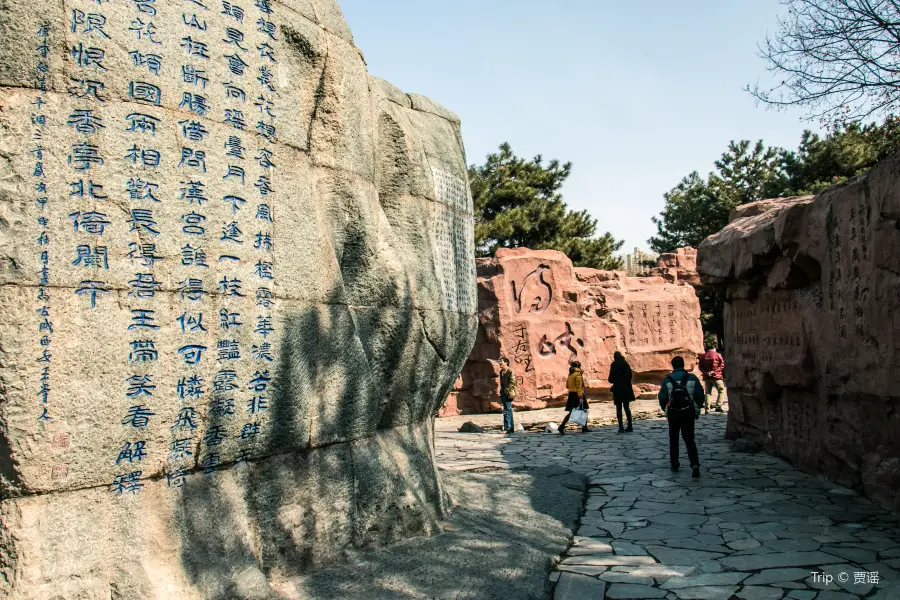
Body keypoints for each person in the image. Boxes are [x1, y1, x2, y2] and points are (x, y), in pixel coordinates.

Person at [658, 356, 705, 478]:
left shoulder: (667, 380)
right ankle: (694, 464)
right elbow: (700, 396)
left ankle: (675, 464)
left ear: (672, 366)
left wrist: (666, 409)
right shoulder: (692, 378)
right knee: (689, 439)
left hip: (673, 413)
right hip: (688, 413)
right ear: (683, 365)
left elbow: (662, 397)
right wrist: (696, 407)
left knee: (673, 439)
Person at [558, 361, 590, 435]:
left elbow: (567, 386)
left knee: (572, 411)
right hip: (578, 395)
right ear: (579, 366)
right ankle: (584, 427)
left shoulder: (570, 374)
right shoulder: (578, 375)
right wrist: (581, 398)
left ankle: (562, 426)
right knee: (584, 409)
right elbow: (579, 387)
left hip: (571, 394)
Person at [608, 351, 635, 433]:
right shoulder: (626, 364)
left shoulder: (614, 364)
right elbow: (630, 376)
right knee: (627, 407)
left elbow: (610, 378)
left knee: (618, 408)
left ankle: (621, 427)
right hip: (626, 387)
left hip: (618, 388)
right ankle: (630, 426)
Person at [698, 344, 726, 414]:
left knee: (708, 393)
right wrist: (715, 372)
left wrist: (707, 373)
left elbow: (700, 367)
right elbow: (722, 364)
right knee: (721, 390)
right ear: (714, 348)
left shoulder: (703, 356)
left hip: (707, 377)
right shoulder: (718, 355)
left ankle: (707, 409)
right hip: (717, 376)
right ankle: (718, 406)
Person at [498, 357, 518, 433]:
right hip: (503, 392)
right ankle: (510, 428)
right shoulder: (501, 372)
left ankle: (508, 428)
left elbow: (513, 382)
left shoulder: (510, 371)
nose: (500, 363)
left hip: (508, 393)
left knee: (507, 410)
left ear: (506, 363)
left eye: (501, 361)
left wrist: (506, 390)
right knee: (507, 409)